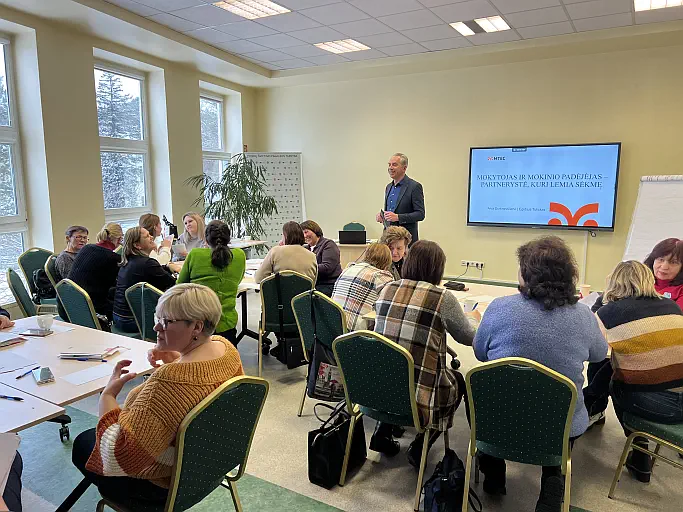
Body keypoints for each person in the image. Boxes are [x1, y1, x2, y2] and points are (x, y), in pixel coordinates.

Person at [68, 284, 244, 507]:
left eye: (167, 321)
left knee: (82, 444)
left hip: (163, 486)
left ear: (197, 327)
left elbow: (119, 457)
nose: (156, 326)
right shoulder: (226, 350)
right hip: (208, 467)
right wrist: (178, 358)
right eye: (157, 317)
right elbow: (200, 395)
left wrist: (108, 396)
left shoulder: (167, 383)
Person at [473, 236, 607, 512]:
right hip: (559, 425)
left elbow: (479, 353)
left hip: (497, 420)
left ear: (526, 273)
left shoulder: (498, 307)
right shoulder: (584, 315)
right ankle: (553, 476)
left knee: (476, 392)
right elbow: (598, 355)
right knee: (557, 412)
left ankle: (493, 470)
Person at [373, 240, 480, 465]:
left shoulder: (386, 289)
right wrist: (473, 318)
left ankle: (382, 431)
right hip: (421, 392)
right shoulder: (442, 298)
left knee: (397, 364)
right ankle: (422, 443)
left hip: (382, 386)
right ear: (437, 269)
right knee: (459, 381)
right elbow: (468, 337)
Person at [591, 261, 683, 483]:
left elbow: (594, 352)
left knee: (614, 378)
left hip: (657, 407)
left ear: (614, 282)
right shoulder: (673, 306)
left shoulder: (608, 312)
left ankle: (640, 449)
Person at [177, 220, 246, 345]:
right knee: (227, 356)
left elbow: (180, 286)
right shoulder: (240, 255)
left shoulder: (195, 254)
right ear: (228, 238)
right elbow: (238, 280)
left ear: (206, 239)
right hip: (227, 322)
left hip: (198, 323)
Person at [112, 227, 177, 333]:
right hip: (134, 321)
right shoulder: (148, 263)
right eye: (147, 236)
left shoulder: (128, 262)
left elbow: (152, 271)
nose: (151, 237)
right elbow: (174, 285)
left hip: (119, 318)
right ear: (137, 245)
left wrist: (167, 267)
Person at [332, 243, 393, 330]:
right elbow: (391, 307)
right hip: (356, 333)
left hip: (333, 328)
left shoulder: (347, 269)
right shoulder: (381, 277)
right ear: (387, 262)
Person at [69, 223, 123, 320]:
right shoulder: (113, 258)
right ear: (119, 239)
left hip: (69, 304)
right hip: (90, 309)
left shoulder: (86, 248)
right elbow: (118, 284)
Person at [375, 153, 425, 244]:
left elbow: (420, 214)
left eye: (394, 165)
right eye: (389, 165)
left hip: (406, 240)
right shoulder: (388, 187)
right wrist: (383, 216)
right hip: (389, 239)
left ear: (404, 168)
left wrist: (398, 217)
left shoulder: (414, 187)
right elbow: (390, 212)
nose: (390, 168)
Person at [300, 220, 341, 297]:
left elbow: (327, 267)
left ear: (315, 230)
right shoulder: (305, 248)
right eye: (302, 234)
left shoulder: (328, 244)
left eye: (306, 232)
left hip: (328, 284)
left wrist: (305, 268)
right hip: (314, 284)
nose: (304, 236)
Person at [644, 237, 683, 309]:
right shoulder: (638, 281)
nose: (664, 267)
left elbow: (676, 315)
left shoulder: (681, 290)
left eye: (673, 262)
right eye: (661, 259)